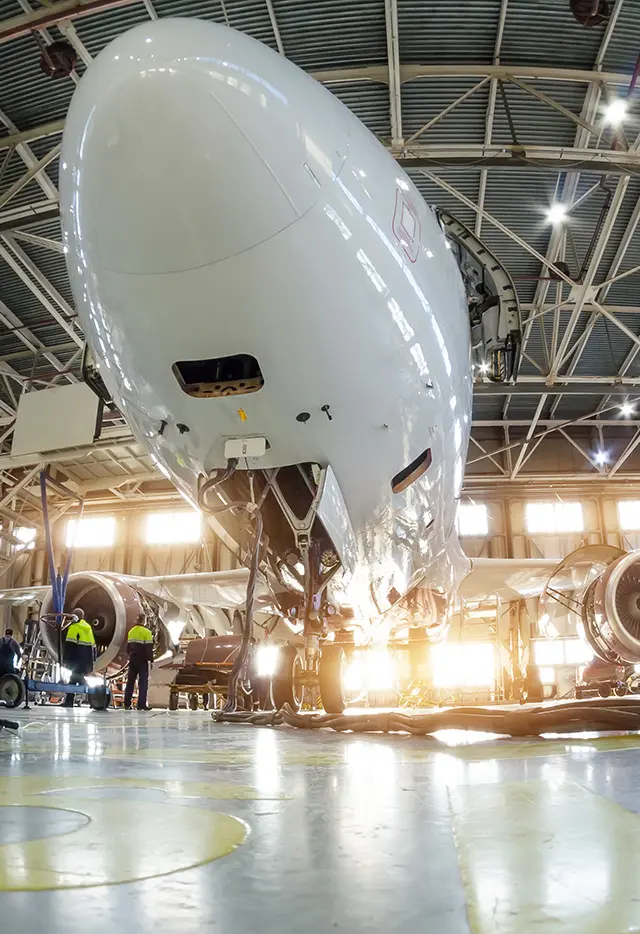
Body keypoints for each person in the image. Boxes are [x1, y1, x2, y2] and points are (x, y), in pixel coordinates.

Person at [62, 607, 96, 708]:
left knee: (76, 679)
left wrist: (65, 660)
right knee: (74, 679)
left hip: (76, 661)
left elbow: (70, 646)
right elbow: (93, 647)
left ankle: (93, 696)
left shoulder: (74, 628)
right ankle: (70, 701)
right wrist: (92, 663)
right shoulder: (88, 628)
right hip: (85, 662)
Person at [124, 614, 153, 711]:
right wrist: (151, 660)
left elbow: (128, 648)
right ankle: (141, 704)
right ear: (144, 621)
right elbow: (148, 649)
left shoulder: (131, 631)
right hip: (142, 660)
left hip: (132, 659)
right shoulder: (147, 632)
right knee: (143, 683)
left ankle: (127, 704)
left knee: (130, 682)